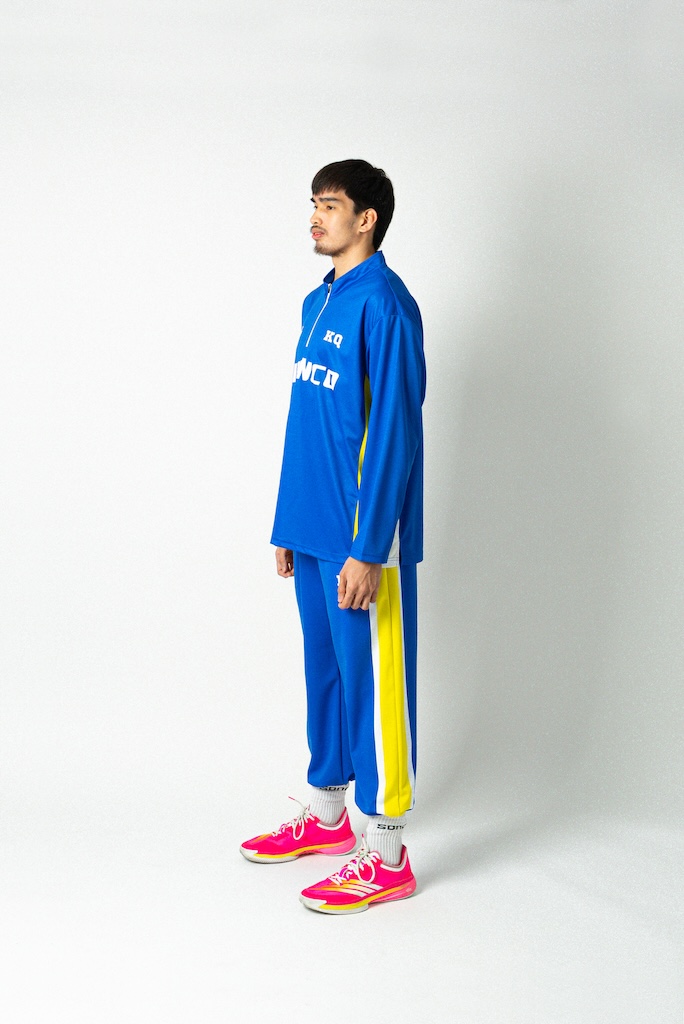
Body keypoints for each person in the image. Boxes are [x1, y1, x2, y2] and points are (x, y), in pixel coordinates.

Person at [240, 159, 426, 914]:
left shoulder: (386, 304)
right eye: (313, 203)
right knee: (326, 674)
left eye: (330, 204)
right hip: (312, 528)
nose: (315, 216)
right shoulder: (317, 301)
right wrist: (288, 522)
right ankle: (326, 818)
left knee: (376, 687)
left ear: (366, 219)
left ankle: (387, 855)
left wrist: (370, 547)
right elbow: (309, 423)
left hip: (360, 542)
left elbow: (394, 435)